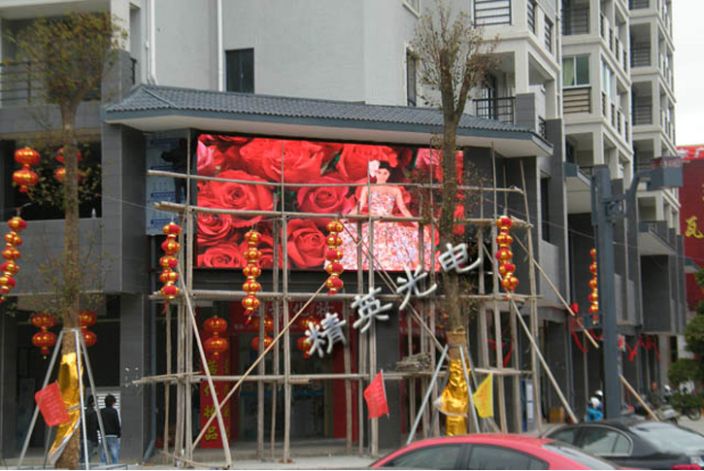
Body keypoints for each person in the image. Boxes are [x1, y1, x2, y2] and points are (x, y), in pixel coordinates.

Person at [339, 160, 435, 271]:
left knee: (396, 252)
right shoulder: (368, 188)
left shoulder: (395, 190)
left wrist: (416, 224)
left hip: (389, 225)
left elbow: (403, 209)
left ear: (389, 174)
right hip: (372, 225)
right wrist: (346, 219)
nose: (382, 175)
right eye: (379, 172)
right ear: (375, 172)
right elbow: (359, 206)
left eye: (385, 173)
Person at [99, 394, 121, 464]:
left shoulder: (101, 411)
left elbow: (98, 422)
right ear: (112, 402)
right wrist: (119, 434)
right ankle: (115, 466)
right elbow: (116, 423)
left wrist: (100, 431)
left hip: (104, 435)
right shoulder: (114, 411)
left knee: (103, 454)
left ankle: (102, 466)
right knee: (114, 454)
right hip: (113, 435)